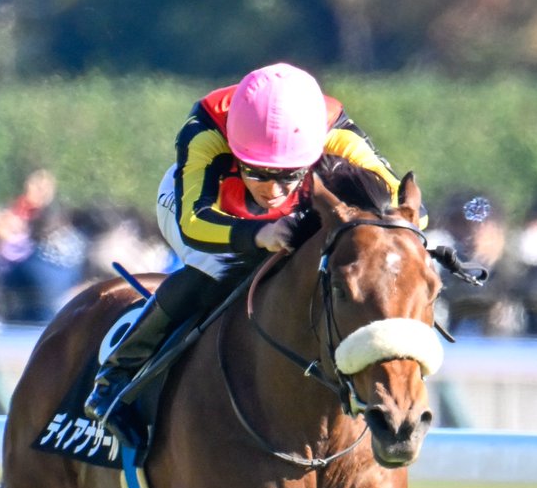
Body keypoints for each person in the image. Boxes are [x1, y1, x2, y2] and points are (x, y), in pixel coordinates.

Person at [83, 62, 411, 420]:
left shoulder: (339, 135)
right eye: (257, 172)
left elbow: (409, 211)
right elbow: (193, 222)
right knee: (213, 267)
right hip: (207, 205)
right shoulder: (204, 132)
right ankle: (118, 373)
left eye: (288, 175)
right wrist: (257, 235)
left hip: (300, 205)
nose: (272, 190)